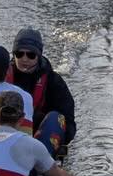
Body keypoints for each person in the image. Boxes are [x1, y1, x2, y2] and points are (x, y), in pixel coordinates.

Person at [7, 27, 76, 155]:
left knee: (55, 118)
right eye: (19, 54)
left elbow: (69, 121)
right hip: (7, 131)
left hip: (41, 136)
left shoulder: (54, 82)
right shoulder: (2, 77)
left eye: (31, 55)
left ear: (39, 56)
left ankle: (42, 159)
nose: (24, 59)